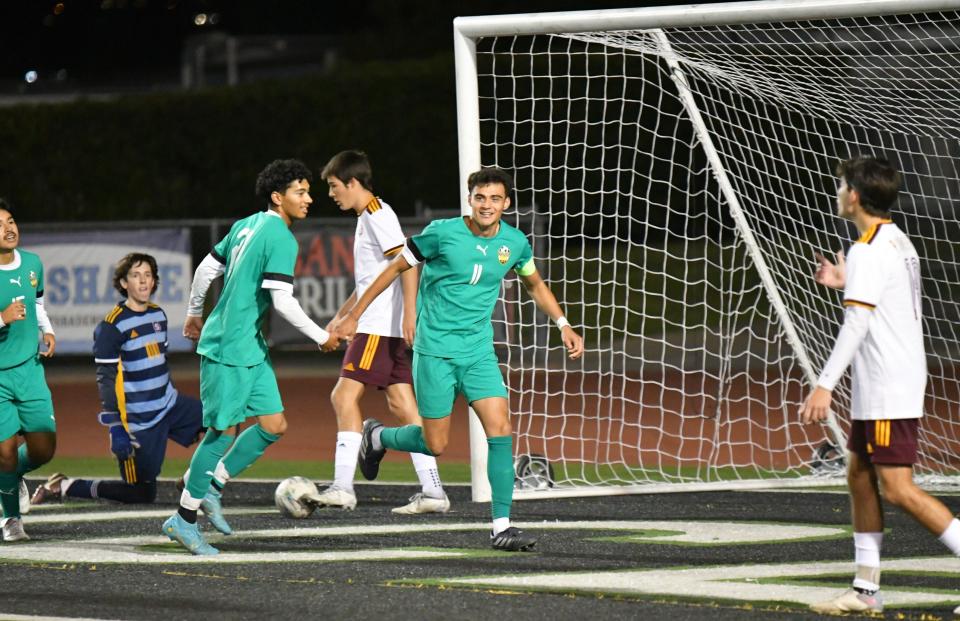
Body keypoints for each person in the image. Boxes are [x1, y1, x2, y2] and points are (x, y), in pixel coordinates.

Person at [334, 167, 584, 551]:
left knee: (500, 430)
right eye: (481, 197)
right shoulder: (442, 233)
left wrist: (563, 323)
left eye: (495, 199)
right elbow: (395, 268)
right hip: (435, 353)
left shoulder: (514, 243)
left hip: (479, 352)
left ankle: (501, 526)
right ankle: (378, 436)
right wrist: (355, 313)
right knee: (435, 444)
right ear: (471, 199)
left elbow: (534, 283)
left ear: (506, 204)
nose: (487, 205)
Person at [800, 156, 960, 614]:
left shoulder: (869, 249)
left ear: (854, 196)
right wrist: (846, 280)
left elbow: (856, 325)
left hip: (889, 383)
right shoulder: (889, 240)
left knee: (897, 488)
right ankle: (865, 590)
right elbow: (879, 293)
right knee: (858, 476)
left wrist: (824, 385)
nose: (837, 192)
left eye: (840, 184)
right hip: (885, 381)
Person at [162, 159, 339, 555]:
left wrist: (194, 311)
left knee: (274, 424)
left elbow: (209, 267)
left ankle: (212, 485)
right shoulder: (280, 236)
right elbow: (283, 301)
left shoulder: (247, 224)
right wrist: (321, 336)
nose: (309, 199)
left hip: (250, 348)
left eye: (309, 191)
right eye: (301, 192)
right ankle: (183, 519)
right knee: (221, 432)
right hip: (230, 347)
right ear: (278, 197)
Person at [316, 150, 448, 514]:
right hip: (379, 326)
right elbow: (374, 279)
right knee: (403, 406)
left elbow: (407, 264)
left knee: (343, 398)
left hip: (378, 328)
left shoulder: (377, 214)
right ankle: (434, 491)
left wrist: (409, 316)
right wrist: (341, 315)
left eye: (333, 186)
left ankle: (342, 487)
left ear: (353, 183)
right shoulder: (367, 217)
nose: (331, 194)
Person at [30, 253, 204, 506]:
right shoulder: (110, 327)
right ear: (124, 284)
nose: (143, 281)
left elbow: (158, 364)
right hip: (137, 422)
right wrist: (116, 428)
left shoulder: (159, 315)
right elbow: (106, 380)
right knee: (142, 494)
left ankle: (192, 480)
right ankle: (65, 486)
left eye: (148, 275)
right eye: (135, 275)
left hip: (170, 405)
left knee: (222, 421)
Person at [0, 199, 57, 541]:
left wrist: (46, 329)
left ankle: (10, 477)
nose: (8, 228)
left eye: (10, 220)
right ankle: (10, 520)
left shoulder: (33, 263)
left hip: (30, 370)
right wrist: (2, 318)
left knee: (43, 449)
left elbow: (37, 304)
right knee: (4, 450)